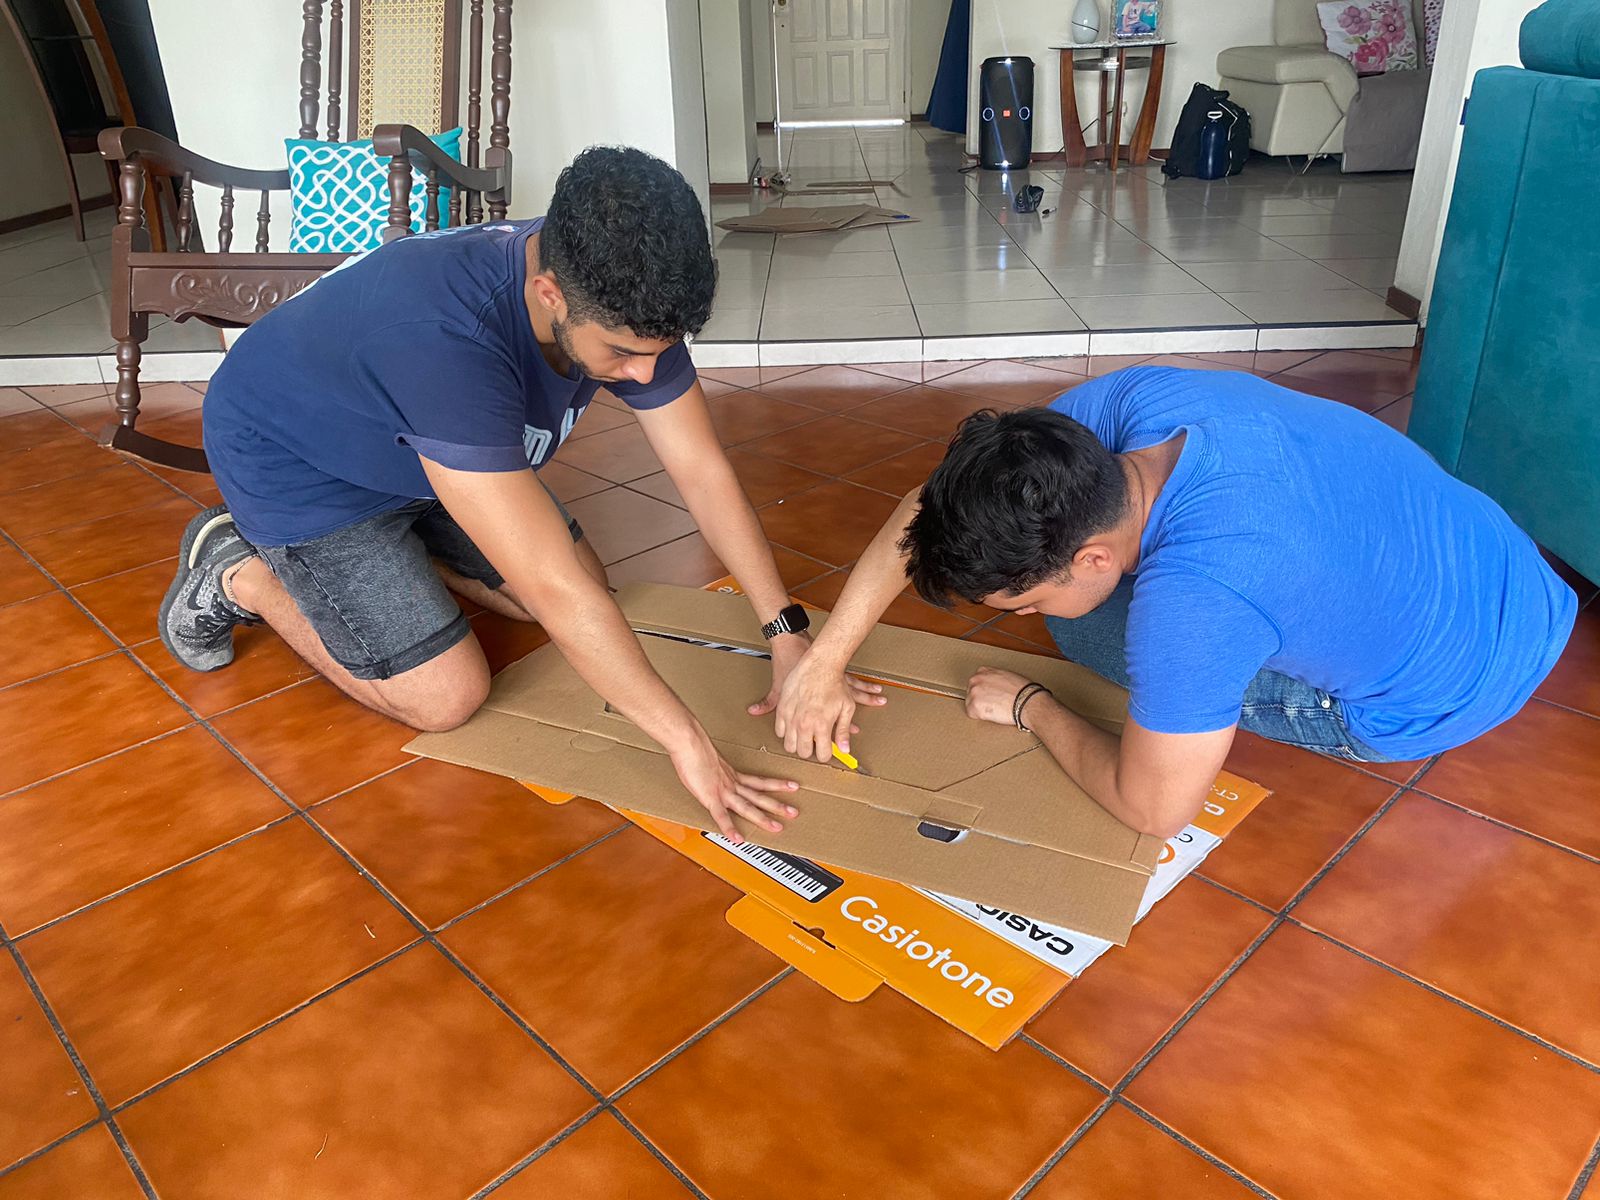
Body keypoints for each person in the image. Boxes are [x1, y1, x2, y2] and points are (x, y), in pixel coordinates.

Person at [158, 145, 880, 843]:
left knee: (589, 584)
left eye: (656, 353)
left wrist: (786, 634)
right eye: (622, 354)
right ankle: (236, 568)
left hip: (418, 448)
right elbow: (556, 591)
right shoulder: (446, 340)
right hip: (302, 468)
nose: (642, 375)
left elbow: (702, 471)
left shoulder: (622, 290)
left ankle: (408, 550)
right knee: (448, 697)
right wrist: (688, 744)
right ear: (548, 294)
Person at [770, 366, 1577, 838]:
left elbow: (1154, 809)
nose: (1018, 615)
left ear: (1093, 557)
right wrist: (822, 661)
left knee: (1084, 633)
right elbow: (932, 503)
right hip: (1513, 572)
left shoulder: (1195, 602)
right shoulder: (1133, 405)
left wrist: (1029, 706)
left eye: (1019, 601)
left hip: (1438, 698)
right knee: (1096, 609)